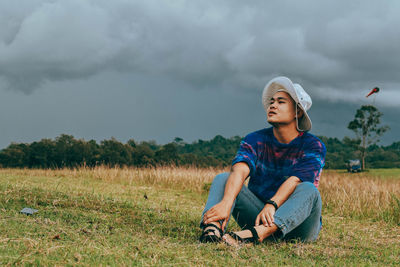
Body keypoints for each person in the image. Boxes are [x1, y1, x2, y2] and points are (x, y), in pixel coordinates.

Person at [199, 76, 326, 246]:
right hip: (259, 216)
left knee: (309, 189)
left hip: (299, 227)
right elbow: (241, 169)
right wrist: (226, 203)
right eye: (271, 101)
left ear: (298, 111)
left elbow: (296, 179)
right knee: (223, 178)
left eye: (281, 102)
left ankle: (258, 235)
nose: (272, 105)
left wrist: (272, 204)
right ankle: (213, 228)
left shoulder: (313, 145)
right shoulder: (255, 139)